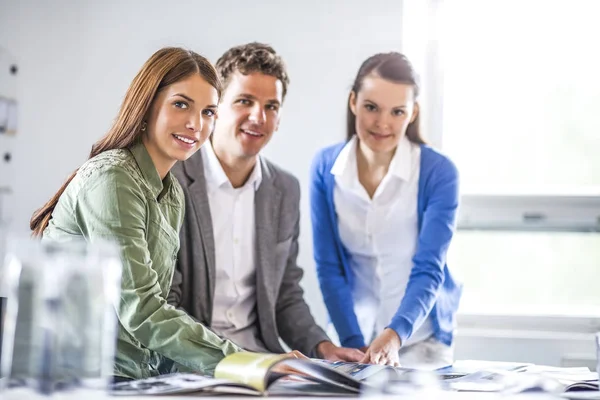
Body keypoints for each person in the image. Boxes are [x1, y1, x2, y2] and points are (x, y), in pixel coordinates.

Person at [30, 47, 245, 381]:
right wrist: (243, 362)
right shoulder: (112, 178)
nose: (195, 124)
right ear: (147, 105)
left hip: (137, 376)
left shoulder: (172, 192)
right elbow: (142, 311)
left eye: (208, 112)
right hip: (81, 378)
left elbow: (155, 311)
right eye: (181, 104)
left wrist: (243, 368)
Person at [168, 42, 363, 362]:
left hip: (266, 357)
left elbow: (285, 294)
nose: (259, 117)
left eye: (271, 106)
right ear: (215, 108)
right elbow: (166, 303)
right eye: (245, 101)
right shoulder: (174, 178)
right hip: (194, 361)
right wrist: (247, 362)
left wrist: (324, 348)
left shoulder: (284, 190)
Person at [309, 52, 462, 368]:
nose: (382, 123)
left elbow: (428, 268)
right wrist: (353, 345)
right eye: (371, 108)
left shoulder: (439, 172)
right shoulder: (325, 167)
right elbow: (328, 267)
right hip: (349, 335)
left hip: (418, 339)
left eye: (397, 112)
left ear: (413, 113)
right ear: (353, 102)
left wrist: (394, 335)